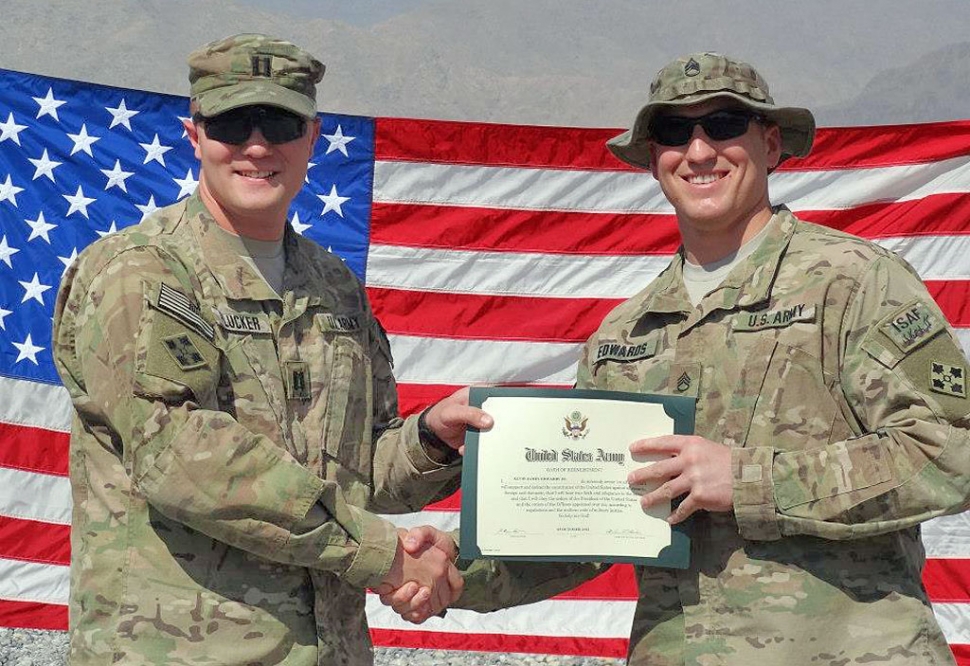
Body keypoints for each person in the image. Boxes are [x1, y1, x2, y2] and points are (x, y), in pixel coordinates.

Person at [384, 52, 970, 665]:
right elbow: (591, 522)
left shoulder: (854, 284)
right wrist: (455, 571)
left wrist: (745, 481)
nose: (697, 151)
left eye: (721, 125)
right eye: (672, 132)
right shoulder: (626, 333)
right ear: (655, 161)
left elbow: (948, 453)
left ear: (771, 145)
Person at [52, 33, 490, 666]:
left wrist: (429, 440)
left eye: (279, 122)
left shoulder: (333, 286)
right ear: (194, 134)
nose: (257, 146)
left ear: (311, 137)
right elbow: (180, 455)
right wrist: (382, 552)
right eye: (233, 123)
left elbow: (356, 472)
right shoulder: (141, 272)